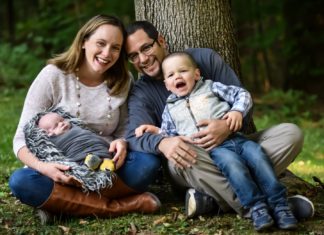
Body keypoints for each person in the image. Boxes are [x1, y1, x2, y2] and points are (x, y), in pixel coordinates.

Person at [124, 21, 314, 220]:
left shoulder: (203, 59)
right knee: (179, 156)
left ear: (161, 40)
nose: (143, 59)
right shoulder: (141, 91)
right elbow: (134, 136)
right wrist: (163, 142)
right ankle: (270, 206)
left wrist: (226, 125)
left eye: (146, 47)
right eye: (133, 56)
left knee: (291, 134)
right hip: (196, 160)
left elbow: (241, 99)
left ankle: (213, 202)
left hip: (234, 144)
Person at [9, 15, 162, 222]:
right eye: (100, 43)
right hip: (61, 171)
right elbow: (20, 139)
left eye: (115, 48)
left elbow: (123, 130)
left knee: (147, 164)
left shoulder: (123, 81)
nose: (107, 53)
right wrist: (45, 168)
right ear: (83, 42)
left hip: (105, 166)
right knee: (21, 181)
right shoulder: (53, 76)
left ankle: (62, 203)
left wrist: (121, 142)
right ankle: (122, 205)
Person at [136, 52, 298, 231]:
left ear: (196, 74)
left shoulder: (211, 87)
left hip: (236, 139)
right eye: (171, 75)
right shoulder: (170, 109)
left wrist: (237, 112)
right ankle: (258, 208)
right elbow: (172, 134)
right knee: (233, 166)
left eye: (183, 71)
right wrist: (157, 131)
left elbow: (241, 94)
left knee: (258, 157)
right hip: (214, 152)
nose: (178, 77)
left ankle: (279, 204)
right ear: (166, 84)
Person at [37, 111, 115, 171]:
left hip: (93, 145)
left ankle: (106, 162)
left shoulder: (76, 128)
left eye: (62, 120)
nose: (62, 124)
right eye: (56, 125)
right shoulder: (53, 141)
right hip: (77, 152)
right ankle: (90, 164)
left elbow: (89, 136)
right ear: (49, 134)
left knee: (101, 151)